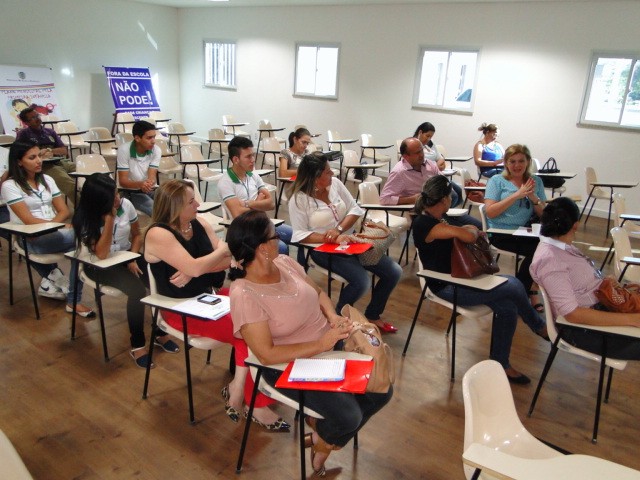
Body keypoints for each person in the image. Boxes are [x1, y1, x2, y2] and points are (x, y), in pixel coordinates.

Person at [227, 210, 393, 476]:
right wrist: (323, 343)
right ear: (262, 248)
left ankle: (323, 439)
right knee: (349, 416)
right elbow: (267, 355)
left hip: (328, 348)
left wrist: (333, 317)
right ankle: (326, 435)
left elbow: (317, 293)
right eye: (275, 236)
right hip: (287, 367)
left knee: (382, 390)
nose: (280, 239)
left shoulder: (284, 262)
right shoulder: (245, 294)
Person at [144, 179, 287, 429]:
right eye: (191, 202)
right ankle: (254, 403)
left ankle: (238, 386)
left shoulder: (198, 223)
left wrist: (198, 267)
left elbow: (228, 258)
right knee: (251, 330)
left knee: (267, 312)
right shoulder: (158, 234)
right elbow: (215, 258)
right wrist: (206, 261)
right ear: (175, 207)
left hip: (211, 296)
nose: (198, 205)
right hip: (180, 308)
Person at [413, 175, 548, 384]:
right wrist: (468, 230)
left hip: (463, 278)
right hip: (447, 286)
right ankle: (539, 327)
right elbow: (469, 235)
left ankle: (501, 363)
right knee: (513, 285)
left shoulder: (442, 217)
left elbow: (473, 228)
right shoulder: (424, 223)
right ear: (445, 199)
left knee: (508, 307)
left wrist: (468, 230)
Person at [289, 152, 402, 333]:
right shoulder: (298, 200)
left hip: (350, 240)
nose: (332, 173)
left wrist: (339, 230)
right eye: (327, 172)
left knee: (394, 272)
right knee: (362, 282)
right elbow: (300, 235)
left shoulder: (335, 184)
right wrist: (330, 237)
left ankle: (373, 314)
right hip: (322, 249)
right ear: (315, 177)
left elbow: (354, 209)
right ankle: (338, 320)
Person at [72, 173, 173, 368]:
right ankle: (137, 345)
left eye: (117, 193)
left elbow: (137, 235)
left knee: (158, 275)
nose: (117, 199)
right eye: (112, 197)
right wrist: (110, 218)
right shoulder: (85, 218)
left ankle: (159, 331)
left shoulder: (126, 205)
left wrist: (132, 258)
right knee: (137, 290)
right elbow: (101, 254)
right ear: (99, 201)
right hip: (97, 265)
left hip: (126, 255)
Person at [531, 197, 640, 358]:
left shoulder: (560, 247)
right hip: (582, 331)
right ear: (576, 225)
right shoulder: (551, 261)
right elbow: (572, 314)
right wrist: (632, 320)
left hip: (598, 312)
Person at [1, 142, 93, 316]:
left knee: (83, 242)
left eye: (39, 156)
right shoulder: (10, 186)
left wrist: (52, 227)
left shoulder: (47, 180)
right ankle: (74, 299)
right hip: (29, 238)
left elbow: (64, 210)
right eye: (32, 157)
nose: (39, 161)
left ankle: (73, 299)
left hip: (50, 232)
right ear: (19, 162)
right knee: (84, 238)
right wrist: (57, 226)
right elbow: (28, 220)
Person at [484, 144, 546, 310]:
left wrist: (533, 197)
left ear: (528, 162)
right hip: (500, 232)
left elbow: (544, 215)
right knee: (539, 250)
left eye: (521, 161)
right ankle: (526, 294)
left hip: (524, 231)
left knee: (548, 247)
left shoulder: (536, 181)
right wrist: (516, 195)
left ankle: (523, 292)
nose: (517, 165)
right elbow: (490, 212)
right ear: (506, 163)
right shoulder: (496, 181)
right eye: (512, 161)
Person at [380, 137, 481, 228]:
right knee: (466, 232)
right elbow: (384, 199)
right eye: (417, 153)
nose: (421, 155)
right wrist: (412, 199)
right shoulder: (399, 172)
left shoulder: (429, 164)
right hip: (424, 215)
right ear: (406, 156)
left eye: (421, 150)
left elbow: (443, 182)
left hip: (440, 209)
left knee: (479, 226)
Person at [218, 136, 292, 255]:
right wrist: (259, 202)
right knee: (281, 248)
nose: (253, 160)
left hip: (262, 223)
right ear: (236, 159)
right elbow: (238, 214)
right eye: (248, 157)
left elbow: (271, 204)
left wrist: (248, 203)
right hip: (245, 230)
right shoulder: (225, 182)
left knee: (296, 235)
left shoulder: (253, 176)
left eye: (253, 155)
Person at [15, 106, 77, 205]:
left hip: (61, 162)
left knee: (91, 173)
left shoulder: (50, 132)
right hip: (44, 166)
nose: (37, 119)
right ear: (26, 122)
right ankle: (86, 211)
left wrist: (50, 150)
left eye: (37, 115)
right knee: (71, 186)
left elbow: (64, 150)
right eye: (33, 118)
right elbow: (20, 153)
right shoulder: (24, 134)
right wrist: (39, 154)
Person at [411, 122, 465, 208]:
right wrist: (436, 166)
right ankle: (440, 213)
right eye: (427, 136)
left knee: (461, 192)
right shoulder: (414, 145)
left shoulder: (430, 144)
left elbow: (441, 158)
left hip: (437, 175)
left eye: (431, 137)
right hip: (427, 179)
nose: (429, 139)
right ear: (420, 132)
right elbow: (421, 164)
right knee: (453, 196)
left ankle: (444, 212)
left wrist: (435, 166)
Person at [116, 120, 160, 217]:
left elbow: (152, 176)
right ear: (137, 138)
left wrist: (149, 183)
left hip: (149, 189)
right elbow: (123, 181)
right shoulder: (124, 150)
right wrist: (140, 184)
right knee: (156, 210)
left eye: (154, 137)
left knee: (172, 202)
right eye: (149, 138)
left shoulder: (156, 150)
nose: (153, 141)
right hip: (130, 191)